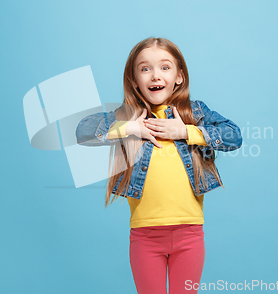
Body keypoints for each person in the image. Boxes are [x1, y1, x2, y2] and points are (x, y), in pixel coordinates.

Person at [75, 37, 242, 294]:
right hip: (144, 237)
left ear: (179, 77)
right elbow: (83, 131)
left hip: (190, 235)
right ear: (134, 80)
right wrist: (131, 127)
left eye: (165, 67)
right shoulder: (127, 117)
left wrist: (186, 131)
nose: (155, 76)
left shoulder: (193, 113)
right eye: (145, 69)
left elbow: (234, 136)